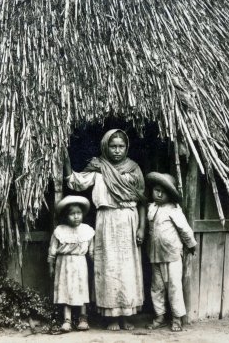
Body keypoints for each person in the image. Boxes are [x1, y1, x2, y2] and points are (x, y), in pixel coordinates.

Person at [65, 129, 146, 331]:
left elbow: (142, 200)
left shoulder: (134, 169)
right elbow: (76, 181)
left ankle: (126, 316)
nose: (117, 150)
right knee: (109, 269)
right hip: (106, 220)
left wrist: (142, 227)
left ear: (127, 147)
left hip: (129, 220)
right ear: (105, 146)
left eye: (121, 146)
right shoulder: (98, 167)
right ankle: (111, 316)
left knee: (128, 269)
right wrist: (64, 159)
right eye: (113, 146)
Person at [144, 172, 197, 332]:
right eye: (156, 190)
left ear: (170, 194)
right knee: (157, 287)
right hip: (155, 254)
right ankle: (159, 315)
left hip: (172, 254)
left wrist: (191, 244)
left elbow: (184, 229)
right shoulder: (151, 208)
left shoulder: (173, 209)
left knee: (174, 286)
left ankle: (176, 318)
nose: (159, 194)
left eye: (163, 191)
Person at [48, 195, 95, 332]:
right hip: (64, 264)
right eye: (72, 214)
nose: (76, 217)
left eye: (79, 213)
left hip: (80, 263)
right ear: (66, 215)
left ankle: (83, 318)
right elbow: (52, 251)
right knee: (66, 289)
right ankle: (67, 320)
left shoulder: (87, 230)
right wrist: (50, 265)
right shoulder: (59, 231)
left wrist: (97, 265)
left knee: (82, 289)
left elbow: (92, 251)